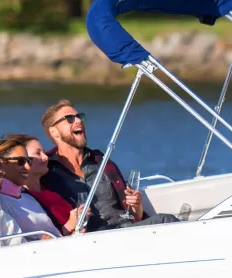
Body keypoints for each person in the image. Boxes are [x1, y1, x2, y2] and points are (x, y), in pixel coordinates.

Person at [38, 99, 179, 232]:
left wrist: (136, 206)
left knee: (168, 220)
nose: (79, 121)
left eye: (79, 117)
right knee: (165, 220)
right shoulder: (46, 171)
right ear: (54, 132)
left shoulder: (102, 162)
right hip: (92, 237)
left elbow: (132, 216)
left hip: (125, 229)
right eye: (69, 119)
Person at [0, 137, 79, 239]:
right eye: (21, 161)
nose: (28, 167)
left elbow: (57, 235)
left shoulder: (29, 198)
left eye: (28, 161)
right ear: (2, 164)